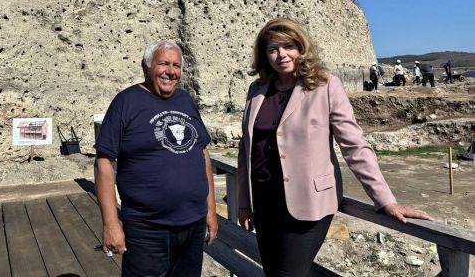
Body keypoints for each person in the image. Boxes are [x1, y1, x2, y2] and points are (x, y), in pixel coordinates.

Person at [237, 18, 432, 277]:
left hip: (308, 204)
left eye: (288, 46)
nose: (281, 54)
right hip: (264, 203)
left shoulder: (325, 85)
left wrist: (385, 200)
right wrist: (244, 202)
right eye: (273, 49)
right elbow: (246, 149)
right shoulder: (257, 90)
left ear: (301, 47)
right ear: (264, 55)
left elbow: (354, 145)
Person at [94, 40, 217, 277]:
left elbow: (202, 153)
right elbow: (104, 163)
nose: (171, 71)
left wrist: (210, 211)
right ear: (146, 67)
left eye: (176, 66)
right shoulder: (126, 102)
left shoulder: (185, 100)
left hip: (193, 224)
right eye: (164, 64)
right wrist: (110, 224)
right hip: (147, 228)